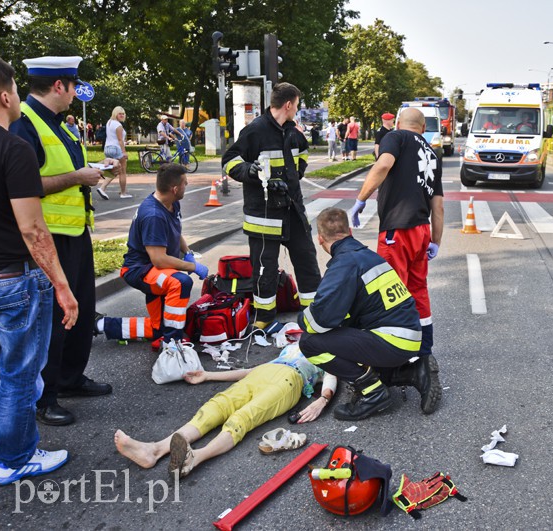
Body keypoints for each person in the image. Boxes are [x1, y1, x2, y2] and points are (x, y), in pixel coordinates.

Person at [0, 54, 79, 486]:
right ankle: (17, 456)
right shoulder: (13, 148)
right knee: (19, 372)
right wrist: (61, 285)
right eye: (17, 91)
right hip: (12, 278)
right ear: (5, 97)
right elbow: (33, 228)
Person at [9, 55, 114, 427]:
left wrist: (94, 173)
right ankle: (45, 396)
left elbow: (67, 172)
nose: (76, 91)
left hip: (73, 233)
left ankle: (70, 378)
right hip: (47, 237)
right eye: (73, 84)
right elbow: (25, 186)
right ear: (60, 86)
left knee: (81, 309)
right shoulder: (24, 125)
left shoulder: (60, 124)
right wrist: (77, 177)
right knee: (54, 318)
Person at [298, 208, 441, 421]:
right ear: (350, 232)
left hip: (391, 342)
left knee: (309, 342)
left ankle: (374, 394)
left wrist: (302, 318)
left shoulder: (343, 265)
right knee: (350, 340)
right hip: (408, 339)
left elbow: (319, 321)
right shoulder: (370, 257)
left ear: (320, 239)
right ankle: (415, 372)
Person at [115, 345, 337, 478]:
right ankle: (154, 450)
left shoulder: (327, 352)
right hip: (261, 373)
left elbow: (331, 375)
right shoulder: (292, 346)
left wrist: (322, 400)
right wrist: (208, 375)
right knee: (215, 406)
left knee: (241, 418)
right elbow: (249, 371)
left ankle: (196, 458)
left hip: (290, 381)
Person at [221, 83, 321, 330]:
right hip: (264, 215)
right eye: (296, 105)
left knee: (307, 261)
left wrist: (293, 175)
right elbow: (229, 161)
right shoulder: (254, 131)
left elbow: (303, 156)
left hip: (293, 210)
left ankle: (314, 314)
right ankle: (264, 316)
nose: (297, 109)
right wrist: (251, 172)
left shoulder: (294, 132)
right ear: (288, 104)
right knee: (264, 268)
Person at [349, 107, 444, 363]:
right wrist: (436, 240)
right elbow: (438, 204)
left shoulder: (396, 136)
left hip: (397, 230)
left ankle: (394, 354)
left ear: (399, 122)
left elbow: (384, 164)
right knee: (417, 289)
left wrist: (360, 200)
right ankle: (423, 351)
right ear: (423, 128)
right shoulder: (433, 154)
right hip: (421, 230)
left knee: (390, 292)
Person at [94, 164, 208, 350]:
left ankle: (102, 325)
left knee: (157, 329)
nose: (187, 186)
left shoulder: (171, 203)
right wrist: (192, 267)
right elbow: (159, 260)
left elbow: (176, 231)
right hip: (140, 270)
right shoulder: (153, 215)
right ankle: (172, 342)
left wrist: (188, 254)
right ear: (175, 188)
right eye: (185, 183)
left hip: (153, 269)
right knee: (180, 283)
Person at [96, 106, 131, 200]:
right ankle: (122, 193)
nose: (122, 115)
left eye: (123, 114)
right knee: (122, 171)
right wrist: (124, 152)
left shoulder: (109, 122)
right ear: (115, 114)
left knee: (114, 169)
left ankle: (103, 187)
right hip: (116, 148)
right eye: (120, 113)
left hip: (107, 148)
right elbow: (120, 140)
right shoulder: (118, 125)